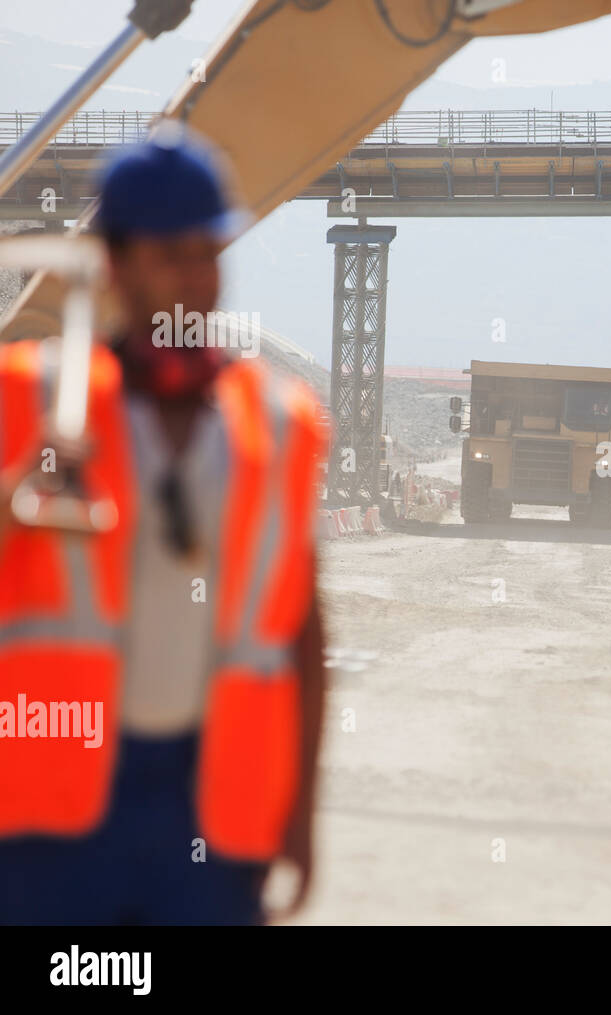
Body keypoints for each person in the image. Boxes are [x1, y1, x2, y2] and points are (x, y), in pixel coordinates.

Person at [0, 122, 326, 925]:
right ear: (115, 264)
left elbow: (301, 632)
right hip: (54, 802)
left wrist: (300, 812)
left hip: (211, 805)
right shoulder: (29, 400)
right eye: (167, 254)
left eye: (206, 252)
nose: (195, 276)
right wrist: (28, 473)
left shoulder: (278, 423)